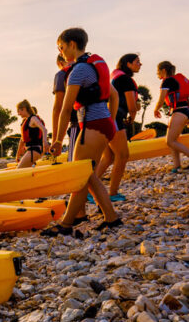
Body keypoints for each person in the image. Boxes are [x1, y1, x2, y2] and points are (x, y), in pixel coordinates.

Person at [42, 27, 121, 236]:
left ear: (71, 45)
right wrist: (110, 122)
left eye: (61, 47)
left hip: (93, 125)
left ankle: (66, 224)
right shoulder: (94, 65)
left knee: (79, 174)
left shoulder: (79, 71)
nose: (60, 52)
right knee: (89, 176)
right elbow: (113, 95)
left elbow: (66, 108)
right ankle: (111, 218)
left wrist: (57, 140)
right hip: (101, 123)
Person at [94, 54, 142, 201]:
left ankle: (87, 191)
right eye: (137, 62)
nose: (140, 64)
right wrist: (132, 118)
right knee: (122, 155)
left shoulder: (116, 78)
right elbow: (132, 106)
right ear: (128, 64)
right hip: (114, 118)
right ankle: (113, 193)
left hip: (102, 117)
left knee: (108, 157)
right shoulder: (125, 80)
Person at [153, 61, 189, 172]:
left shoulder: (167, 81)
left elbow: (161, 98)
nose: (157, 74)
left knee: (170, 141)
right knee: (172, 139)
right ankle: (176, 166)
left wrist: (156, 109)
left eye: (157, 71)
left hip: (179, 111)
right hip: (185, 110)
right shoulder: (179, 79)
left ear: (163, 71)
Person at [52, 54, 80, 162]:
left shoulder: (62, 74)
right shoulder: (88, 68)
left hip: (77, 124)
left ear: (60, 63)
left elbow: (57, 108)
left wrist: (57, 140)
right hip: (97, 122)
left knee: (73, 161)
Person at [15, 100, 49, 168]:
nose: (18, 114)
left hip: (34, 151)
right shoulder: (27, 120)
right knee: (26, 172)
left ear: (24, 109)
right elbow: (22, 139)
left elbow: (44, 130)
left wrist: (45, 142)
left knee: (19, 170)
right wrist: (18, 155)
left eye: (19, 111)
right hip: (31, 151)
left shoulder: (33, 118)